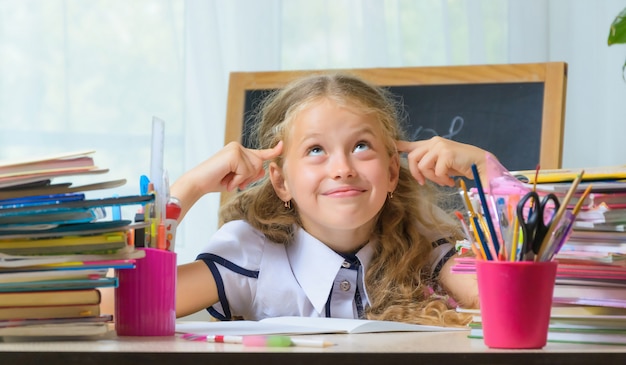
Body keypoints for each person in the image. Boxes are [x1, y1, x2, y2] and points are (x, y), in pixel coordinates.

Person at [172, 73, 494, 327]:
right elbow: (123, 303)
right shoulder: (249, 256)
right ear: (282, 182)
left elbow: (522, 305)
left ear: (392, 172)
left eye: (361, 146)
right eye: (315, 150)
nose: (342, 169)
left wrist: (488, 171)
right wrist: (189, 187)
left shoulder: (423, 244)